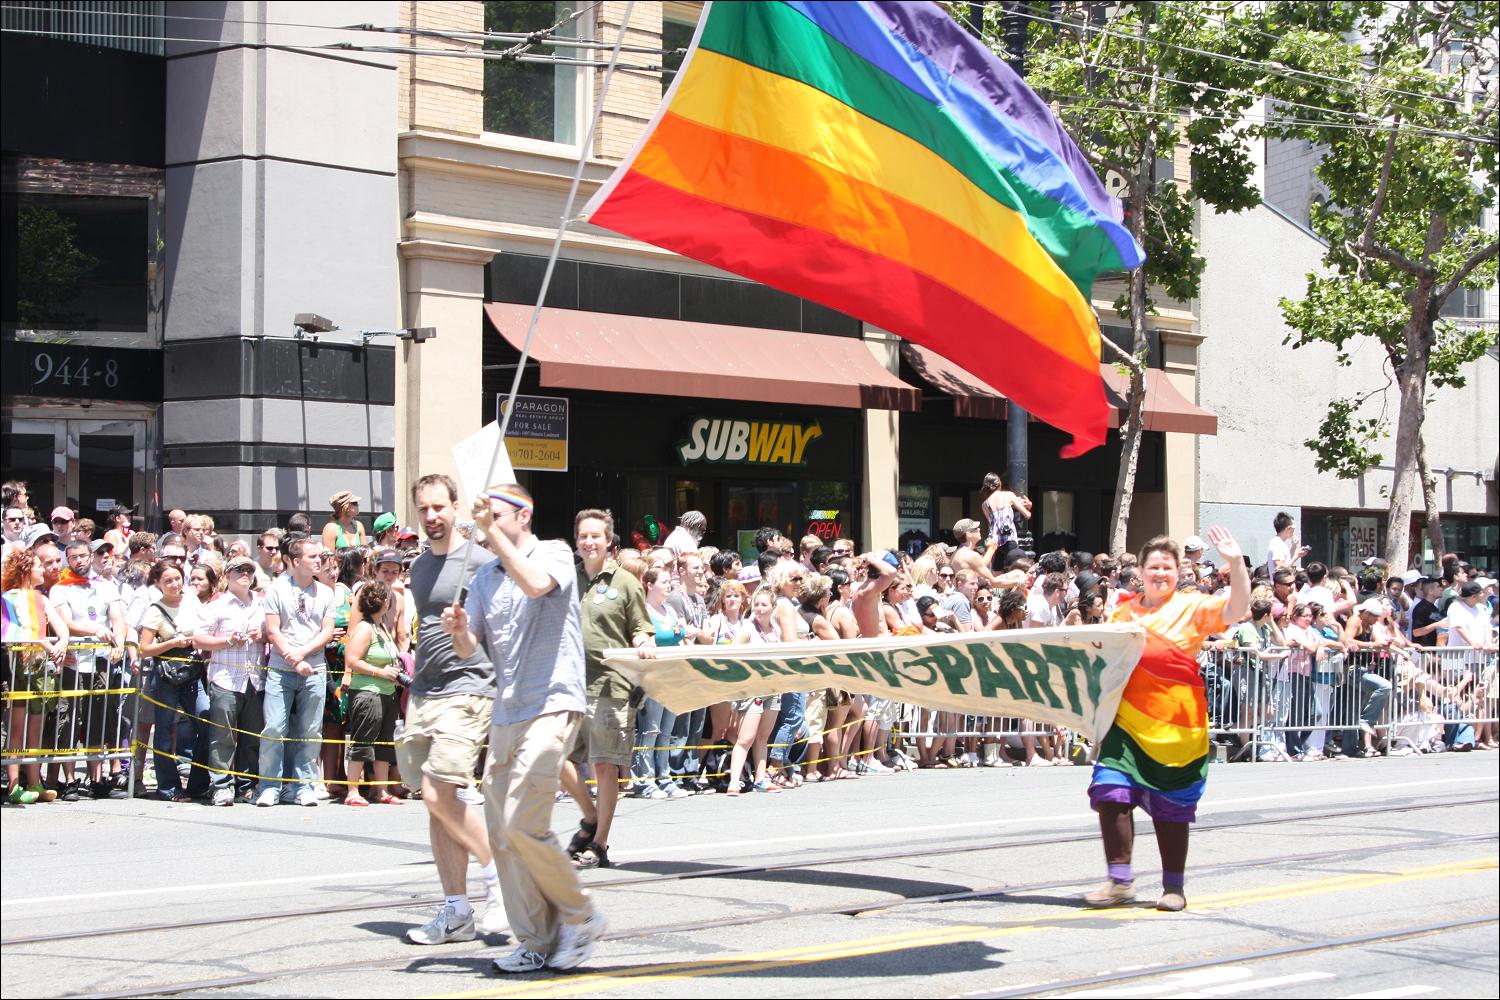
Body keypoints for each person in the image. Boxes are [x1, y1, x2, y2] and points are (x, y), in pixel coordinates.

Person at [441, 483, 607, 973]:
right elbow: (472, 648)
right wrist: (458, 631)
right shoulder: (486, 576)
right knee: (502, 836)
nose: (483, 525)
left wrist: (490, 531)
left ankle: (580, 915)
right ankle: (536, 938)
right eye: (483, 518)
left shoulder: (552, 551)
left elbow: (536, 585)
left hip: (553, 702)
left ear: (523, 516)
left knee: (523, 822)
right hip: (507, 712)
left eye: (493, 515)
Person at [1085, 526, 1250, 913]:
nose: (1160, 573)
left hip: (1176, 726)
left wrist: (1236, 562)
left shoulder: (1193, 606)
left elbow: (1237, 609)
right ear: (1140, 570)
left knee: (1171, 808)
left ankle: (1173, 886)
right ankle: (1119, 882)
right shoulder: (1123, 612)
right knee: (1111, 793)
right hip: (1125, 722)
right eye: (1154, 567)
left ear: (1178, 573)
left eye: (1168, 568)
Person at [398, 474, 504, 945]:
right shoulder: (419, 568)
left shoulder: (482, 563)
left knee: (441, 792)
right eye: (424, 509)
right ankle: (456, 912)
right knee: (435, 803)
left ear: (457, 508)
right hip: (426, 690)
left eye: (439, 507)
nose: (431, 517)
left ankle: (500, 878)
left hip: (471, 686)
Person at [561, 508, 654, 871]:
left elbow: (641, 627)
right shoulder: (567, 577)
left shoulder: (625, 582)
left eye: (595, 536)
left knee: (603, 765)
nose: (588, 542)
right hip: (569, 684)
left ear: (609, 541)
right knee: (554, 755)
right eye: (583, 535)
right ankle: (589, 816)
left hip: (611, 685)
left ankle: (598, 844)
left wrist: (644, 642)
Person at [255, 536, 336, 807]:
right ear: (296, 560)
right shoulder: (277, 590)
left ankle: (304, 786)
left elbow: (327, 631)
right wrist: (293, 658)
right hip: (281, 669)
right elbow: (273, 630)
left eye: (319, 557)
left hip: (315, 668)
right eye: (313, 557)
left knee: (311, 730)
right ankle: (269, 786)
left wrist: (303, 655)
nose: (318, 561)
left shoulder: (325, 592)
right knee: (275, 727)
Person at [50, 539, 128, 799]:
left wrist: (119, 643)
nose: (79, 561)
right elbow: (67, 623)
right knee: (69, 719)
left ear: (91, 556)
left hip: (100, 661)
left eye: (83, 556)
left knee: (99, 718)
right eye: (73, 558)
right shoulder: (61, 589)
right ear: (67, 560)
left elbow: (118, 619)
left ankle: (96, 779)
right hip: (74, 661)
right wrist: (96, 631)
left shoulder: (106, 586)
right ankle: (70, 780)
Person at [138, 559, 210, 802]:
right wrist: (172, 643)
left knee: (206, 719)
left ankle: (199, 783)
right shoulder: (154, 610)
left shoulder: (191, 598)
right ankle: (168, 787)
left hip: (193, 670)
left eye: (177, 578)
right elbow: (144, 649)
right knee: (165, 732)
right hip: (167, 674)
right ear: (158, 583)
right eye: (167, 580)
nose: (174, 584)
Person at [195, 556, 265, 806]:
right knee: (221, 736)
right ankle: (221, 784)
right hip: (225, 678)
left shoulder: (262, 603)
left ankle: (247, 785)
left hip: (255, 678)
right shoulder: (217, 605)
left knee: (252, 736)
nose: (245, 573)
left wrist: (263, 634)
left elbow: (274, 632)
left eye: (249, 569)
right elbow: (198, 640)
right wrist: (227, 641)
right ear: (227, 575)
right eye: (239, 570)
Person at [3, 548, 69, 803]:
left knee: (36, 728)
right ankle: (14, 784)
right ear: (25, 569)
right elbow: (8, 630)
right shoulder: (8, 598)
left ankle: (35, 782)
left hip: (41, 667)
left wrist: (62, 640)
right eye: (38, 565)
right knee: (16, 728)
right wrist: (43, 643)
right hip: (18, 664)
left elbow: (60, 625)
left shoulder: (41, 598)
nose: (43, 569)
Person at [341, 580, 403, 806]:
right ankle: (353, 791)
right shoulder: (365, 628)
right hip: (368, 692)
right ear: (384, 602)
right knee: (363, 740)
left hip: (388, 693)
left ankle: (381, 790)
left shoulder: (382, 627)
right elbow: (353, 660)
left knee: (385, 743)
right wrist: (380, 672)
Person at [979, 472, 1032, 569]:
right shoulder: (1008, 495)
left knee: (996, 570)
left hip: (994, 542)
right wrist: (1029, 506)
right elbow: (1027, 515)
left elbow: (992, 523)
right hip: (1009, 538)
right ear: (999, 483)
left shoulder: (984, 504)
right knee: (1016, 568)